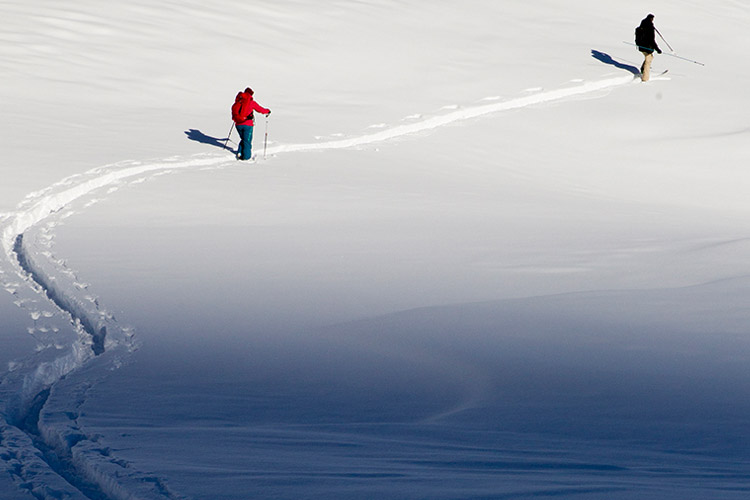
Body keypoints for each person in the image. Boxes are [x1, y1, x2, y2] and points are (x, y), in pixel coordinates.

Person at [231, 88, 271, 160]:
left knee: (243, 139)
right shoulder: (251, 102)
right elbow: (260, 109)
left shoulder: (239, 101)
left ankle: (240, 153)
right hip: (247, 124)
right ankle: (246, 157)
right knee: (247, 141)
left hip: (238, 124)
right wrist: (267, 111)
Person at [635, 14, 662, 82]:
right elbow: (651, 40)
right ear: (651, 19)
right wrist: (657, 49)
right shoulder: (650, 28)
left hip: (641, 46)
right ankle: (645, 78)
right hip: (647, 48)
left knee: (650, 57)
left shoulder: (642, 25)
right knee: (648, 60)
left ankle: (642, 69)